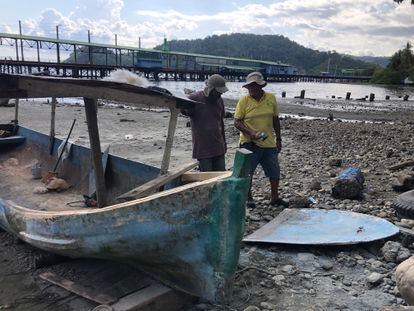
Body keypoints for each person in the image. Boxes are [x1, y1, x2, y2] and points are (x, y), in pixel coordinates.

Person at [234, 71, 288, 208]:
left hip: (268, 143)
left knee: (274, 171)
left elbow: (275, 119)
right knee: (247, 172)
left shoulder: (271, 98)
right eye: (250, 86)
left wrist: (279, 139)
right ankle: (248, 198)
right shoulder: (244, 101)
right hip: (249, 143)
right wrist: (251, 133)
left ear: (260, 86)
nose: (252, 89)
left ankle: (275, 198)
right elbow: (237, 122)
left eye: (254, 86)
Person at [182, 74, 228, 171]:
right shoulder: (195, 98)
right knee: (206, 179)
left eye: (221, 92)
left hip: (218, 146)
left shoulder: (220, 101)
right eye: (218, 92)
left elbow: (220, 123)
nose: (220, 94)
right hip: (203, 148)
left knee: (220, 177)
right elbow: (183, 109)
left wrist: (224, 143)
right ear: (211, 89)